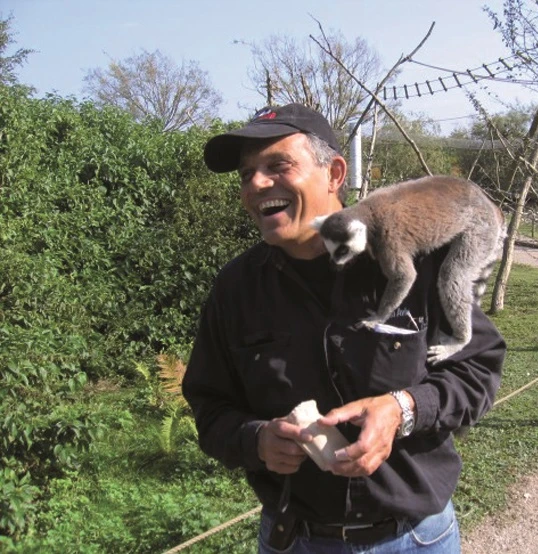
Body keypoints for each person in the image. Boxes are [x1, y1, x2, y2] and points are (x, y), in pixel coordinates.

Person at [182, 103, 506, 553]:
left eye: (278, 165)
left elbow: (478, 369)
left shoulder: (413, 258)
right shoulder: (236, 289)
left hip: (415, 536)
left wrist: (404, 408)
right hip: (296, 539)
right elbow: (209, 405)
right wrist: (256, 441)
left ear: (334, 174)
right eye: (246, 173)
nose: (256, 184)